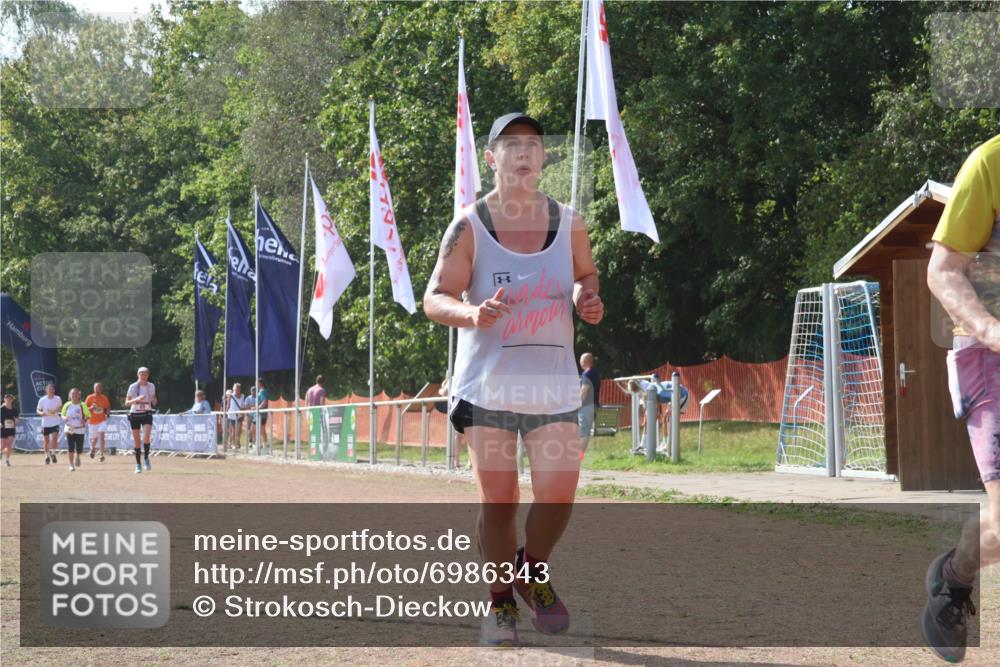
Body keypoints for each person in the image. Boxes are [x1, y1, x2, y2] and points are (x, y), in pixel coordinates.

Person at [423, 112, 603, 647]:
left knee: (558, 496)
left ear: (544, 157)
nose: (523, 153)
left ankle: (530, 570)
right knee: (499, 500)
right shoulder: (469, 225)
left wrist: (584, 297)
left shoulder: (569, 221)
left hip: (551, 384)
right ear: (491, 157)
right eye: (511, 145)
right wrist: (471, 314)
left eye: (533, 145)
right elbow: (434, 298)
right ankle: (500, 603)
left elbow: (584, 274)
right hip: (489, 386)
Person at [924, 132, 1000, 663]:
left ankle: (955, 570)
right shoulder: (990, 164)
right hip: (988, 355)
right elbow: (943, 270)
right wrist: (990, 328)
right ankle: (954, 582)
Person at [125, 366, 157, 473]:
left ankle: (146, 458)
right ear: (138, 375)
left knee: (146, 437)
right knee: (137, 441)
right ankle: (138, 464)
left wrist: (154, 400)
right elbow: (127, 402)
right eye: (141, 374)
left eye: (145, 374)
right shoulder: (133, 387)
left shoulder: (151, 386)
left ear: (148, 375)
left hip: (147, 413)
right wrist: (137, 399)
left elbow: (154, 401)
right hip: (135, 414)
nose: (143, 376)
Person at [61, 388, 91, 471]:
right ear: (70, 395)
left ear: (79, 395)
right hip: (70, 427)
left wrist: (84, 419)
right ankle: (71, 465)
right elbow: (62, 414)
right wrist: (64, 418)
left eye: (76, 394)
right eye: (72, 394)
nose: (74, 395)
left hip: (80, 429)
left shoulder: (83, 405)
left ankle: (78, 456)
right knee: (70, 446)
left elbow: (88, 415)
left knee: (79, 448)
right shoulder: (67, 405)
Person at [578, 353, 601, 454]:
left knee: (583, 432)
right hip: (594, 405)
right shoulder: (595, 373)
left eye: (581, 360)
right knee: (584, 432)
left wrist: (577, 404)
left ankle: (578, 457)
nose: (580, 362)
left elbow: (584, 390)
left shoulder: (587, 374)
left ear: (584, 361)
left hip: (586, 406)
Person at [35, 383, 62, 465]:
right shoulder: (42, 399)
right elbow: (37, 410)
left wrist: (57, 409)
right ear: (46, 390)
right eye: (49, 389)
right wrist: (41, 413)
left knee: (54, 439)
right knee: (46, 441)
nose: (51, 390)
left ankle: (53, 453)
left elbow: (60, 407)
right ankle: (47, 456)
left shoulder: (58, 398)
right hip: (46, 423)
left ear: (54, 390)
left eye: (52, 389)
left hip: (55, 422)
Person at [85, 382, 111, 462]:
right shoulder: (89, 397)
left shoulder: (104, 398)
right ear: (94, 389)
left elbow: (108, 407)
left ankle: (102, 454)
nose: (98, 390)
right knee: (94, 440)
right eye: (96, 388)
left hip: (101, 421)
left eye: (99, 388)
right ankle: (92, 449)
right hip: (92, 422)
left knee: (101, 437)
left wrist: (107, 413)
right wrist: (91, 408)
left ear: (101, 389)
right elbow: (85, 409)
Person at [248, 378, 268, 448]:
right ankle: (255, 444)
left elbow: (264, 402)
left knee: (262, 430)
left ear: (260, 383)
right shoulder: (259, 392)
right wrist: (255, 408)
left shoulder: (263, 391)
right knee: (253, 429)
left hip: (261, 415)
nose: (255, 385)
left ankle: (264, 446)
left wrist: (256, 408)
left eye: (256, 383)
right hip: (256, 414)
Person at [1, 393, 20, 467]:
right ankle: (2, 452)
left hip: (11, 428)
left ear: (12, 400)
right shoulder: (1, 408)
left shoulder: (14, 409)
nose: (8, 400)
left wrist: (16, 422)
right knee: (2, 446)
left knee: (9, 444)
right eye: (7, 398)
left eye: (10, 399)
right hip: (2, 429)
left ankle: (7, 460)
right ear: (4, 399)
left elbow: (18, 417)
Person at [226, 383, 246, 451]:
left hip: (239, 415)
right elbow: (228, 406)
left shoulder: (243, 396)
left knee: (239, 430)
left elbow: (243, 405)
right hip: (232, 416)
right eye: (235, 389)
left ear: (239, 389)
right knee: (233, 431)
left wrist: (243, 411)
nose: (236, 390)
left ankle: (237, 442)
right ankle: (231, 443)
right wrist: (225, 411)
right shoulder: (230, 396)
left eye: (237, 388)